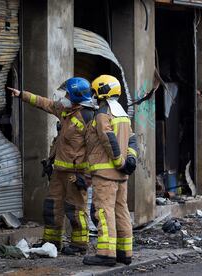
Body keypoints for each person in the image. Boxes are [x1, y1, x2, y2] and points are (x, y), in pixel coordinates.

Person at [7, 77, 95, 255]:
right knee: (52, 208)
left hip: (75, 174)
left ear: (77, 97)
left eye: (68, 94)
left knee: (76, 211)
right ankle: (52, 242)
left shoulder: (88, 117)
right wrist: (21, 94)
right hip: (58, 173)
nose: (65, 96)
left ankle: (79, 245)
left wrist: (86, 177)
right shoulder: (64, 110)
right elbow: (44, 103)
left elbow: (95, 150)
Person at [83, 75, 138, 266]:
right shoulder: (121, 113)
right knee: (121, 212)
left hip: (105, 173)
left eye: (94, 91)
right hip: (121, 175)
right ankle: (125, 252)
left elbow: (108, 139)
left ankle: (106, 254)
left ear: (101, 91)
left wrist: (117, 161)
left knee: (104, 213)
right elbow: (132, 139)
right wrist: (130, 160)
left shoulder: (102, 113)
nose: (93, 95)